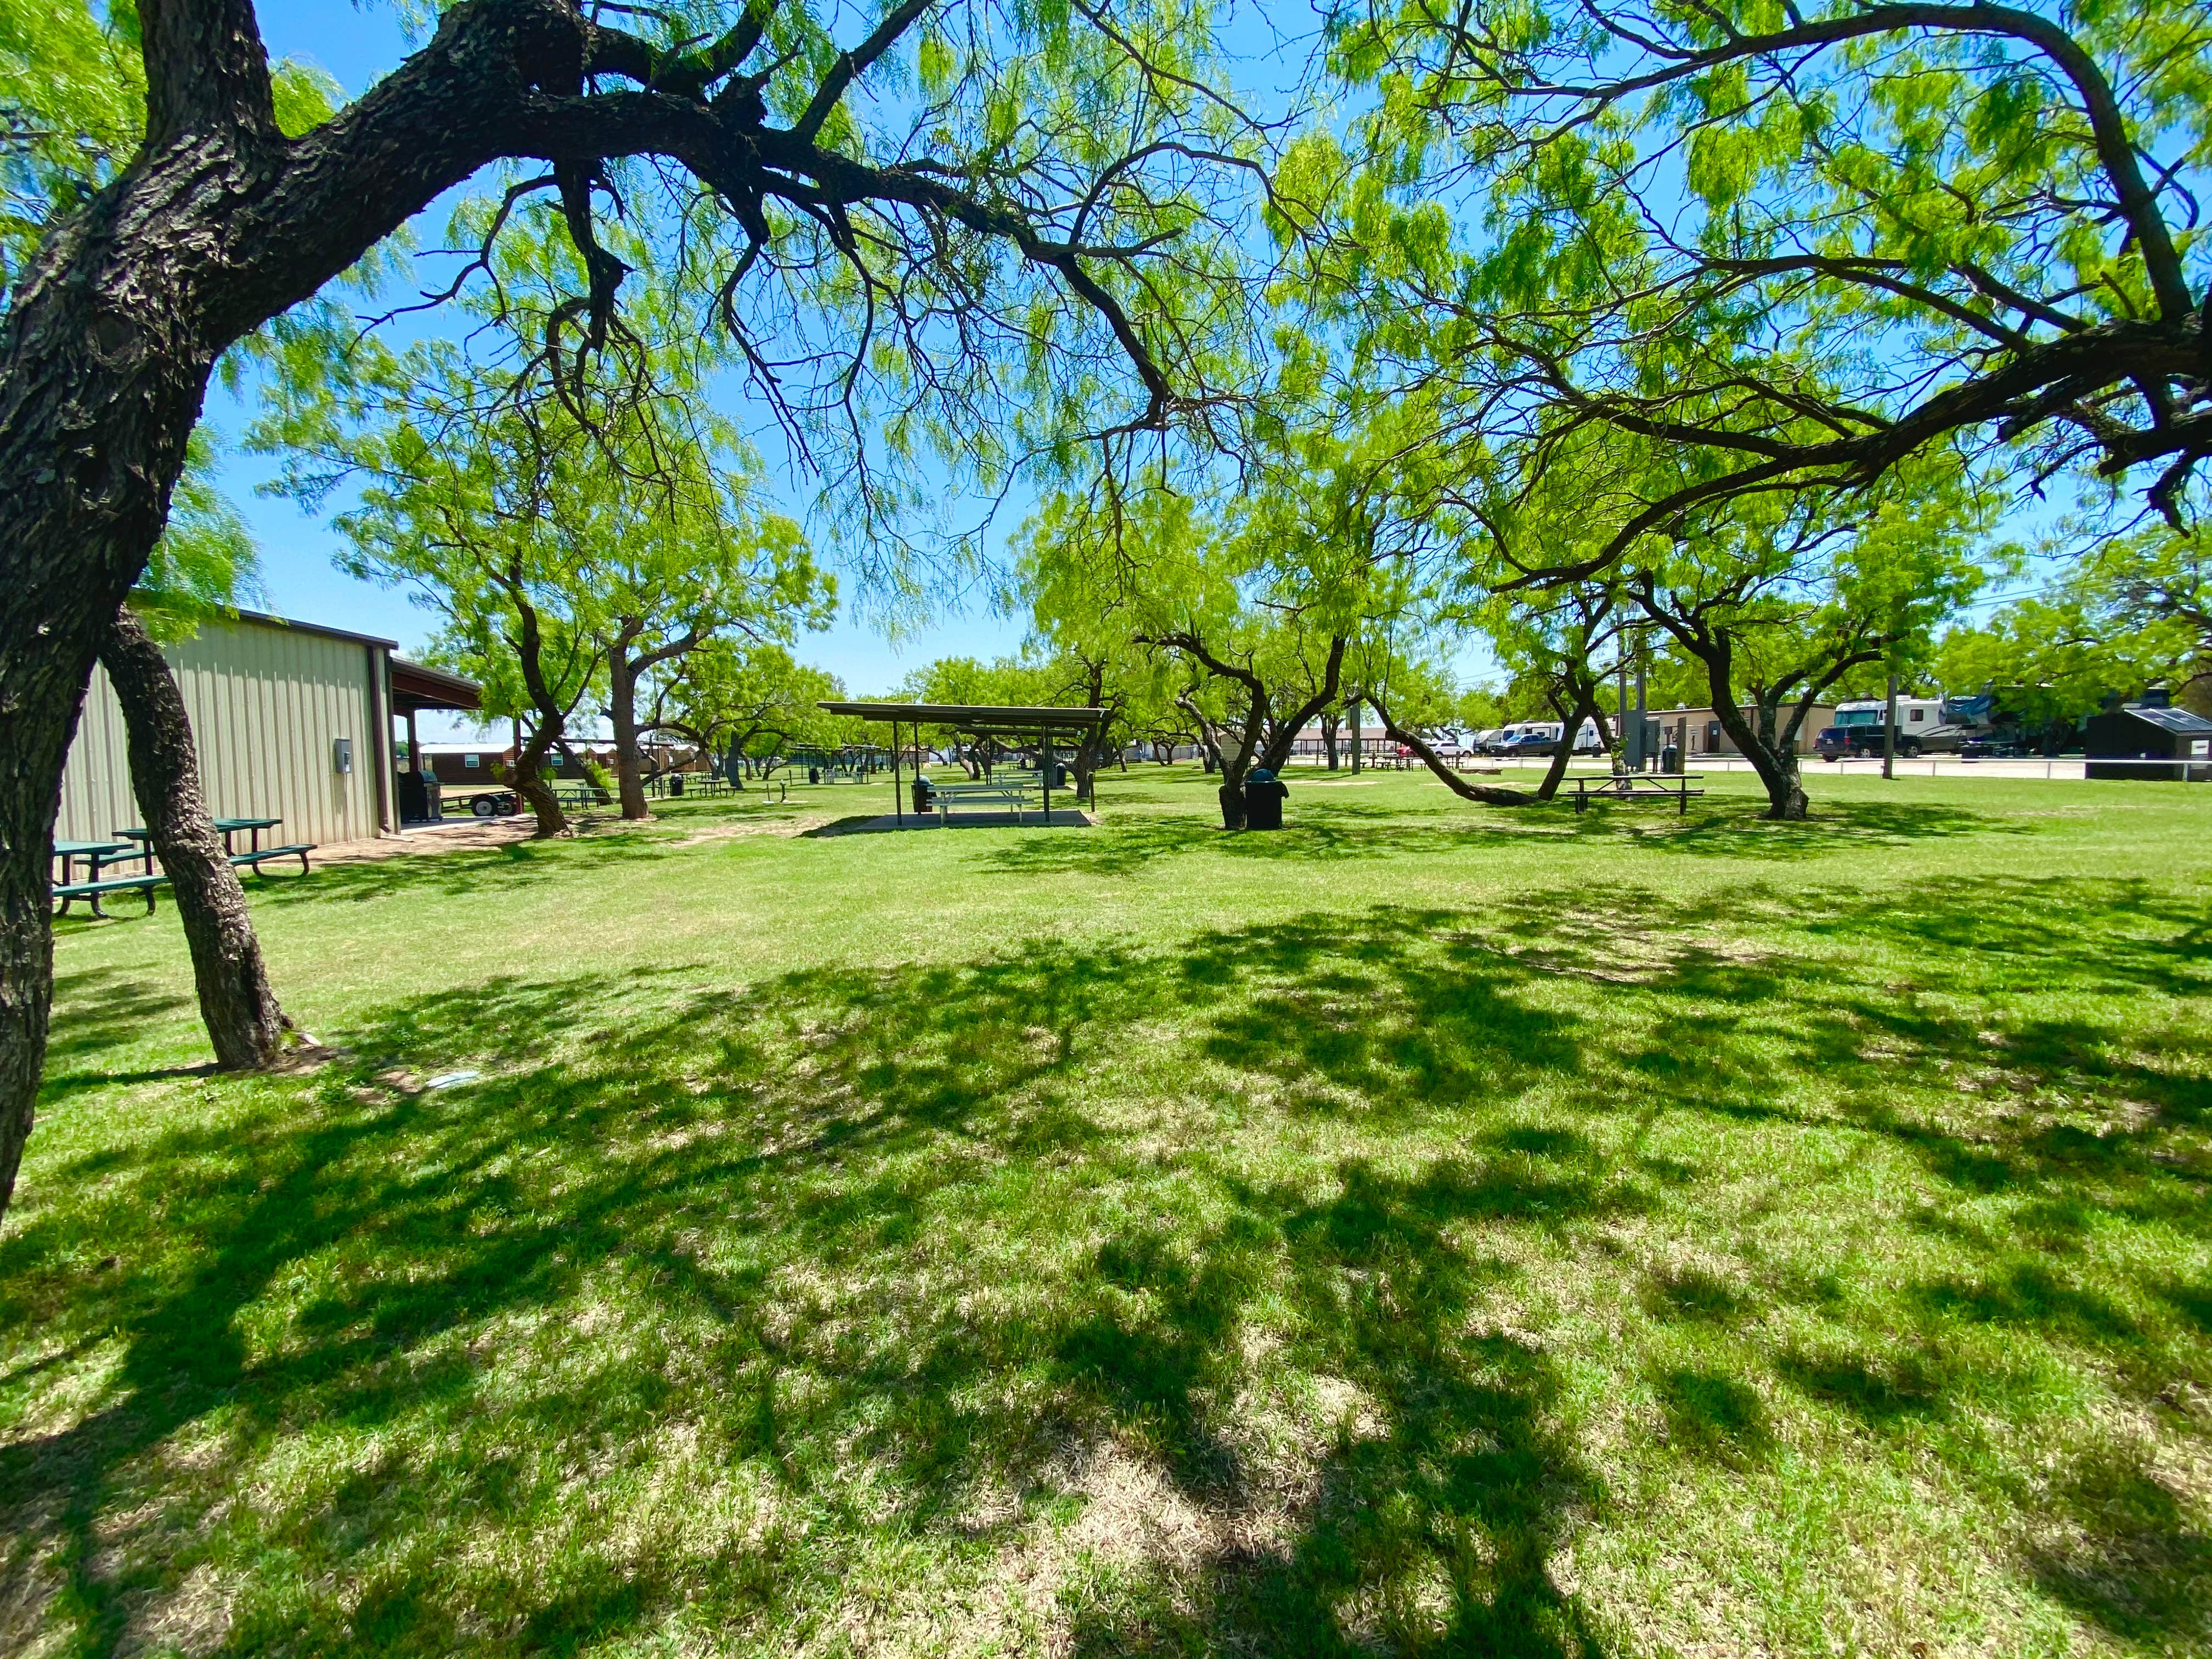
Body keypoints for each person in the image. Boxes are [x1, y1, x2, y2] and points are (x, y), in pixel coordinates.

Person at [1243, 765, 1288, 830]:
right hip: (1273, 821)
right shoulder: (1275, 786)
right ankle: (1274, 824)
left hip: (1254, 822)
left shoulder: (1251, 787)